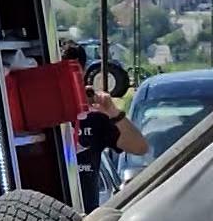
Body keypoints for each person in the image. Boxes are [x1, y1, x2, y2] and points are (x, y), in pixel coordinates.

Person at [59, 43, 148, 209]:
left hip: (85, 216)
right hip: (39, 215)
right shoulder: (36, 117)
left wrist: (113, 112)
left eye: (73, 74)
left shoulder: (96, 118)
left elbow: (139, 147)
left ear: (83, 74)